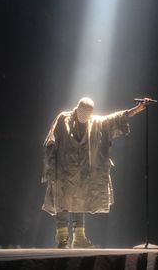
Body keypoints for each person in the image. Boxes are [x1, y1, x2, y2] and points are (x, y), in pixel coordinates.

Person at [41, 97, 150, 248]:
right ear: (77, 109)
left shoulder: (95, 123)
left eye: (88, 114)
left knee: (80, 201)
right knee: (62, 203)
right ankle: (62, 237)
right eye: (82, 113)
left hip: (81, 172)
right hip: (63, 171)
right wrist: (50, 168)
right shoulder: (63, 119)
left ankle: (79, 237)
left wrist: (136, 110)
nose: (84, 117)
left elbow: (112, 119)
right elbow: (51, 142)